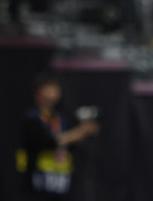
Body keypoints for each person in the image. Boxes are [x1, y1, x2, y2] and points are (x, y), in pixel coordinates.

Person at [16, 73, 100, 201]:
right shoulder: (31, 117)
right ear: (38, 92)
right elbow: (46, 142)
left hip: (60, 182)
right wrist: (78, 132)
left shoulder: (62, 117)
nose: (53, 93)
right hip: (36, 182)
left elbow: (71, 144)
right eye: (49, 88)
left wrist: (83, 133)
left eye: (55, 89)